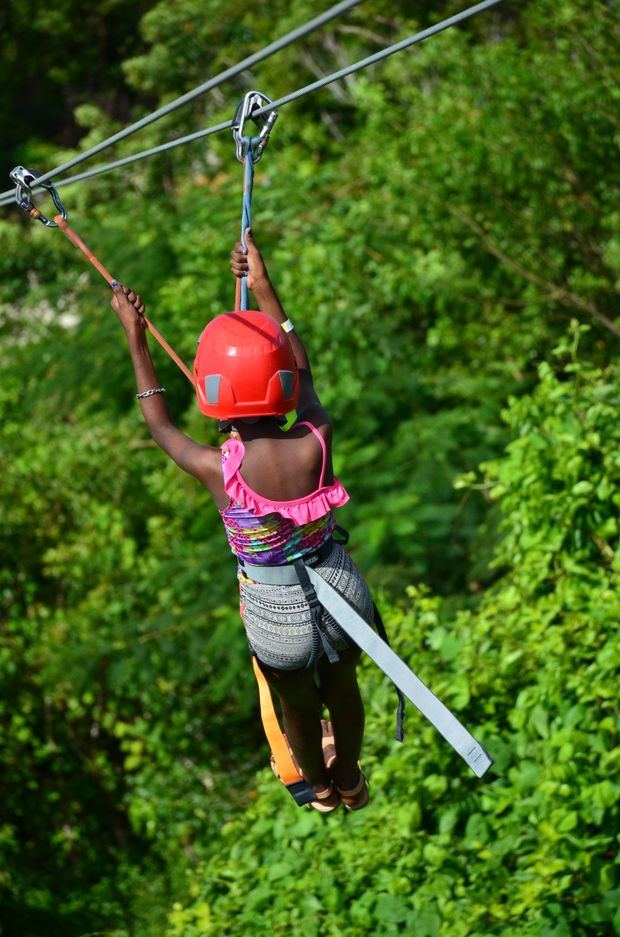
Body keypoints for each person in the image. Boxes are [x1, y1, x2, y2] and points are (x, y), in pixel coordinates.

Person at [111, 229, 372, 811]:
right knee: (344, 687)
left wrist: (137, 338)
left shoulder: (217, 467)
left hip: (276, 612)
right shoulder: (314, 441)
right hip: (339, 587)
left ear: (213, 394)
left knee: (298, 708)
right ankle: (349, 773)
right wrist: (264, 288)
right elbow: (301, 374)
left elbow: (160, 426)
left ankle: (323, 787)